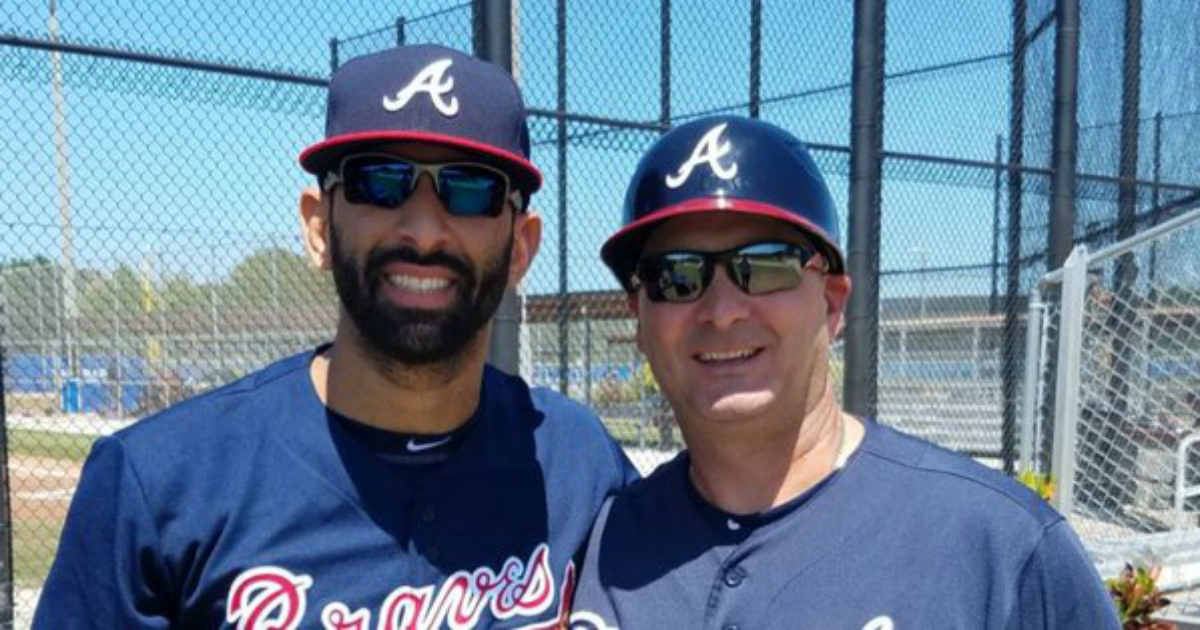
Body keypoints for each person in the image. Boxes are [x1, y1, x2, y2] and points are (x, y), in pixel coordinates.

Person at [36, 45, 637, 629]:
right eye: (379, 181)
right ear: (319, 226)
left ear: (520, 248)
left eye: (471, 188)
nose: (425, 231)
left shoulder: (577, 464)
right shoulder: (158, 481)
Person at [569, 116, 1119, 629]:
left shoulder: (1001, 545)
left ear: (832, 304)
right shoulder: (603, 542)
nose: (722, 310)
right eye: (675, 276)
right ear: (639, 319)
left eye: (764, 266)